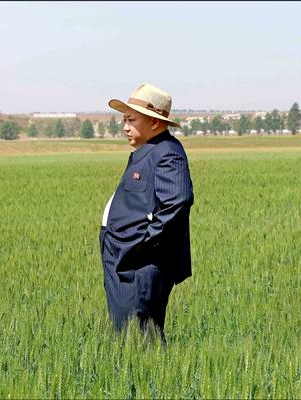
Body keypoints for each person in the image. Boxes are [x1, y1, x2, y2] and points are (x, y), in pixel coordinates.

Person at [99, 83, 194, 341]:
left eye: (131, 120)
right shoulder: (148, 151)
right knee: (126, 332)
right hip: (126, 258)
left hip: (141, 263)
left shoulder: (167, 153)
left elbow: (178, 201)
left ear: (154, 122)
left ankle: (150, 379)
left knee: (140, 336)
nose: (125, 126)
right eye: (124, 119)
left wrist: (141, 245)